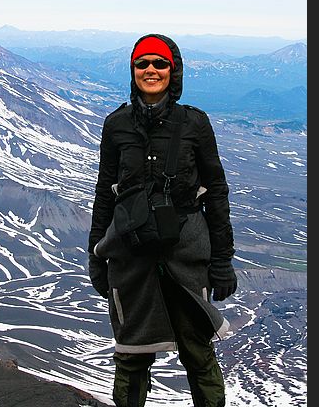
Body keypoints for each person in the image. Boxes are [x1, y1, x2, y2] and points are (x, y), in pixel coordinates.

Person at [88, 34, 237, 407]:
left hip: (185, 256)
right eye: (142, 63)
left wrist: (222, 262)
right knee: (131, 356)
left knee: (197, 352)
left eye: (160, 63)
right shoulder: (116, 125)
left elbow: (216, 192)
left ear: (174, 70)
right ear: (133, 71)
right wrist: (96, 256)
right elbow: (105, 192)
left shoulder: (195, 125)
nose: (151, 70)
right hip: (131, 256)